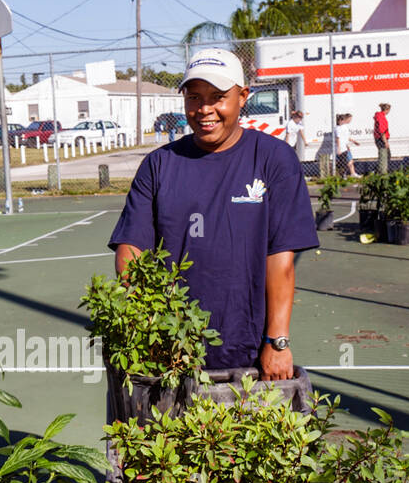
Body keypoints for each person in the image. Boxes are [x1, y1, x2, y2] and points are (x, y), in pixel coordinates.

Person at [108, 48, 319, 381]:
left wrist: (276, 342)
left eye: (218, 97)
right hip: (171, 349)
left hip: (248, 350)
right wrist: (147, 328)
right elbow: (130, 252)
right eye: (194, 98)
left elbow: (281, 258)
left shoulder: (274, 159)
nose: (204, 110)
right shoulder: (159, 165)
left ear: (242, 97)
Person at [335, 113, 358, 177]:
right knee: (345, 162)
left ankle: (352, 173)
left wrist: (353, 141)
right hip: (342, 148)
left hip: (345, 147)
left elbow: (346, 137)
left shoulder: (344, 127)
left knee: (348, 161)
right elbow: (338, 138)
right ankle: (345, 174)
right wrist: (339, 148)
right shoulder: (338, 128)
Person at [373, 103, 391, 174]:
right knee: (383, 155)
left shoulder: (380, 116)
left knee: (387, 154)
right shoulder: (381, 117)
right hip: (381, 139)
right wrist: (385, 142)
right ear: (387, 110)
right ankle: (382, 172)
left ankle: (379, 170)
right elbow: (382, 131)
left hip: (379, 138)